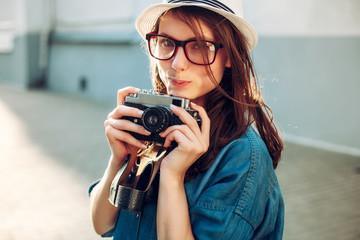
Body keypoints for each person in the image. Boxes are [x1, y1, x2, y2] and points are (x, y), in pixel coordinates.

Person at [89, 0, 284, 239]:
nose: (176, 64)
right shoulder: (151, 122)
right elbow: (102, 225)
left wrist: (172, 176)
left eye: (200, 46)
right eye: (167, 43)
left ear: (230, 55)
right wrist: (121, 159)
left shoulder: (242, 156)